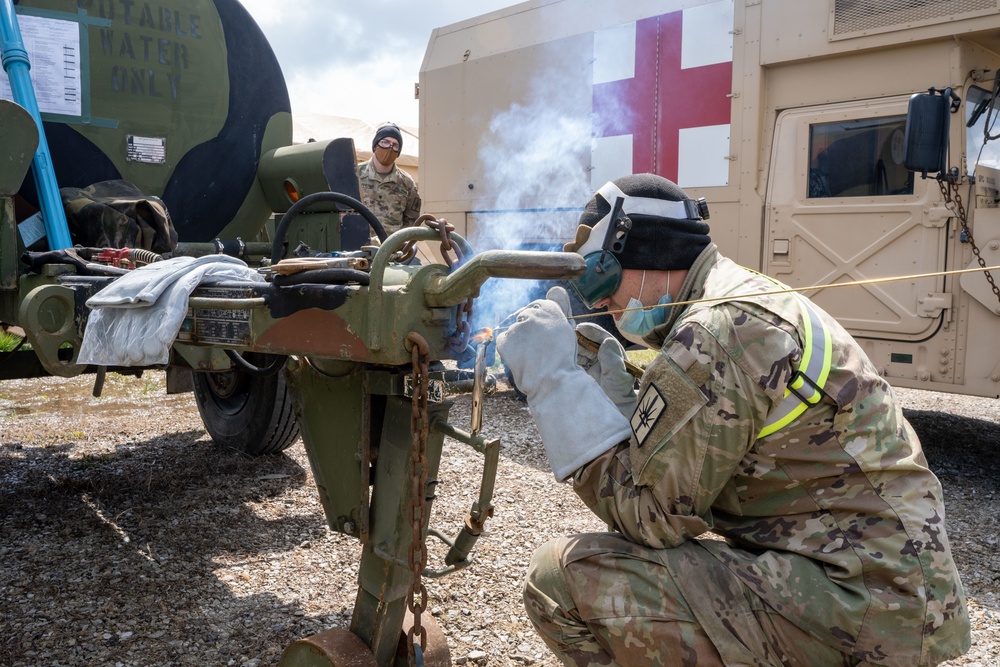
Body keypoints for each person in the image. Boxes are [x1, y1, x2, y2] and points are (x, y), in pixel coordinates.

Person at [496, 173, 970, 666]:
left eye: (603, 278)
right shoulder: (740, 297)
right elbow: (689, 454)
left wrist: (555, 384)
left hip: (864, 602)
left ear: (650, 253)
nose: (598, 303)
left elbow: (649, 517)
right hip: (886, 583)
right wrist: (617, 402)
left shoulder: (715, 331)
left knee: (559, 579)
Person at [356, 122, 421, 237]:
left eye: (395, 145)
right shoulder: (355, 175)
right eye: (385, 142)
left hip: (392, 250)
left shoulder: (406, 183)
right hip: (358, 248)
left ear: (398, 152)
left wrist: (399, 243)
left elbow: (412, 220)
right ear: (376, 145)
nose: (390, 147)